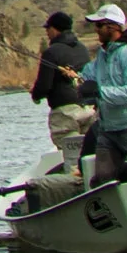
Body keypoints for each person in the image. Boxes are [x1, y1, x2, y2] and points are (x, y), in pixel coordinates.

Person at [78, 3, 127, 184]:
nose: (95, 30)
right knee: (101, 182)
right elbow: (87, 75)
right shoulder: (102, 56)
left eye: (99, 25)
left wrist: (100, 91)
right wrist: (75, 78)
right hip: (108, 132)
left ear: (112, 26)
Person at [29, 11, 93, 168]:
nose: (47, 32)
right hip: (88, 109)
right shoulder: (83, 49)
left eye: (48, 29)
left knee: (72, 158)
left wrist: (35, 95)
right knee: (90, 154)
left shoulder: (51, 52)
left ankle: (76, 186)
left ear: (55, 29)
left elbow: (44, 86)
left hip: (65, 113)